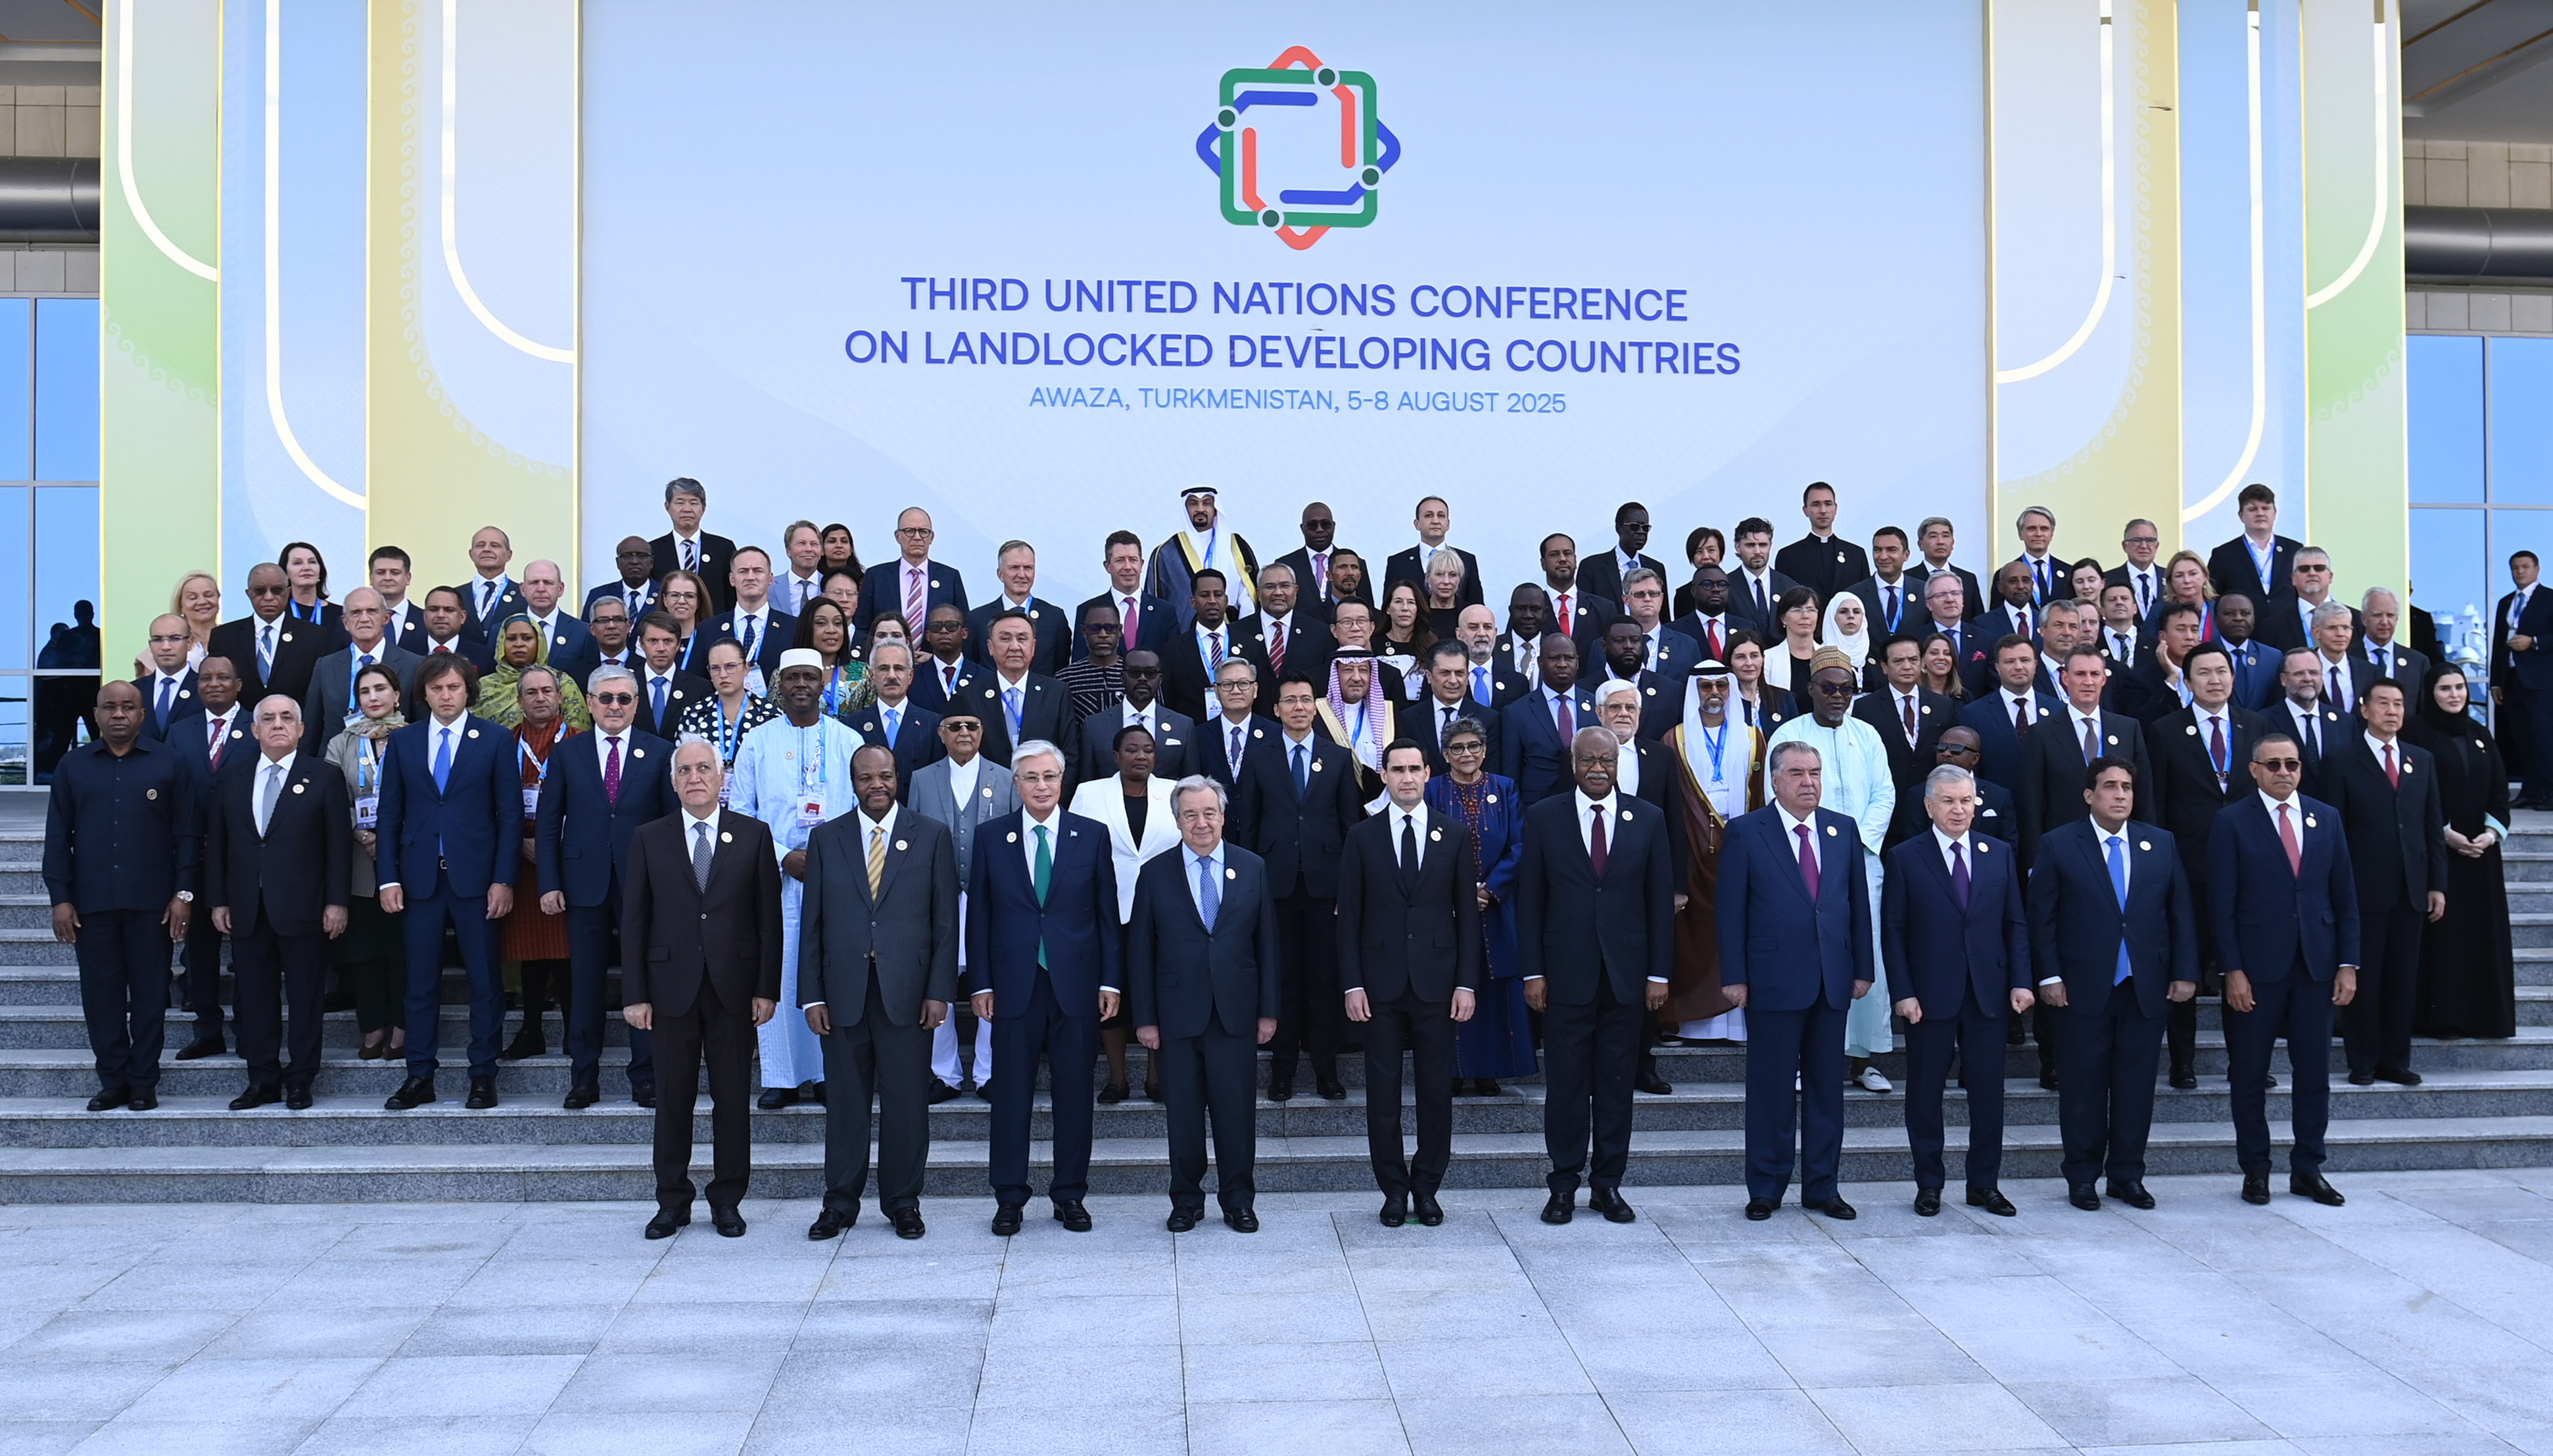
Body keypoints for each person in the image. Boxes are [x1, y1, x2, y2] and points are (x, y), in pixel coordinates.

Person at [955, 738, 1118, 1233]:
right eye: (1031, 777)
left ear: (1061, 780)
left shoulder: (1091, 835)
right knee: (1010, 1097)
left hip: (1077, 986)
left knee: (1075, 1096)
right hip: (1012, 986)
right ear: (1016, 783)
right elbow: (979, 916)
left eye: (1049, 776)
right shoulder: (991, 837)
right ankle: (1009, 1197)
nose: (1041, 785)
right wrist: (980, 982)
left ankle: (1070, 1195)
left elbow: (1106, 915)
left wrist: (1110, 981)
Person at [623, 738, 783, 1238]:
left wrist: (767, 988)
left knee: (732, 1100)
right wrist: (635, 993)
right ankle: (672, 1201)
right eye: (685, 770)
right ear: (673, 782)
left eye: (704, 768)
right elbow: (634, 921)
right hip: (669, 990)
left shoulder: (753, 835)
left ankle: (727, 1199)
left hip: (733, 989)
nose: (695, 777)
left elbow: (768, 920)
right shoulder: (649, 837)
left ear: (721, 778)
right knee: (673, 1100)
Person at [801, 743, 962, 1241]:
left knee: (907, 1103)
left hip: (908, 995)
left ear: (898, 778)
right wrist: (812, 995)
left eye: (885, 776)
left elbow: (944, 923)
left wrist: (940, 991)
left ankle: (903, 1201)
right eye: (866, 777)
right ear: (852, 782)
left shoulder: (931, 835)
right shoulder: (826, 838)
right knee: (845, 1105)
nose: (877, 785)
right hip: (842, 994)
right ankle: (839, 1203)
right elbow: (812, 923)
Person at [1513, 726, 1673, 1225]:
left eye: (1606, 760)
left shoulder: (1648, 818)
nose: (1598, 769)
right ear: (1573, 763)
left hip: (1626, 977)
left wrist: (1659, 974)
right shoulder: (1544, 816)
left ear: (1618, 763)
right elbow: (1530, 900)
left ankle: (1607, 1185)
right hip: (1565, 976)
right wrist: (1533, 971)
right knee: (1565, 1087)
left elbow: (1659, 904)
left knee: (1616, 1086)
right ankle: (1563, 1185)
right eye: (1588, 760)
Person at [2030, 758, 2200, 1210]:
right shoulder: (2059, 844)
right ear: (2089, 795)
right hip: (2080, 987)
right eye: (2110, 786)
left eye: (2126, 786)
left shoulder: (2159, 842)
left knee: (2136, 1086)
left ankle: (2127, 1175)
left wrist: (2184, 972)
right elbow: (2042, 918)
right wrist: (2049, 975)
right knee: (2082, 1087)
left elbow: (2180, 912)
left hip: (2145, 987)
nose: (2120, 794)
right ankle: (2082, 1176)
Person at [1719, 740, 1872, 1221]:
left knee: (1827, 1090)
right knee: (1772, 1089)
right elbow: (1730, 911)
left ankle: (1823, 1187)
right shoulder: (1747, 831)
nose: (1809, 782)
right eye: (1797, 773)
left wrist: (1863, 967)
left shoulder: (1842, 829)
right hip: (1772, 979)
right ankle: (1766, 1187)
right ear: (1775, 780)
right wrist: (1734, 976)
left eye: (1815, 773)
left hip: (1831, 978)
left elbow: (1857, 904)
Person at [2210, 734, 2357, 1208]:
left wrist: (2347, 964)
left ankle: (2308, 1168)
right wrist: (2232, 969)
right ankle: (2255, 1169)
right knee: (2249, 1074)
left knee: (2313, 1073)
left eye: (2291, 763)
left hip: (2316, 966)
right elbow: (2221, 904)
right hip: (2256, 969)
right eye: (2272, 764)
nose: (2283, 771)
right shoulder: (2232, 821)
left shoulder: (2325, 817)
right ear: (2253, 770)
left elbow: (2344, 897)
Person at [1130, 775, 1280, 1231]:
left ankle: (1238, 1200)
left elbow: (1267, 944)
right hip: (1176, 1015)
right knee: (1183, 1116)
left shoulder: (1252, 867)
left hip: (1235, 1013)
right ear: (1177, 820)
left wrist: (1268, 1010)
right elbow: (1141, 951)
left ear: (1223, 815)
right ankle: (1186, 1200)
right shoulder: (1155, 873)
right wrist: (1145, 1018)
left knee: (1236, 1114)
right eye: (1190, 814)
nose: (1201, 823)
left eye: (1209, 813)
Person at [1339, 741, 1480, 1227]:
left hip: (1437, 984)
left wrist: (1466, 983)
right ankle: (1393, 1191)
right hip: (1378, 986)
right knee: (1382, 1095)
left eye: (1414, 769)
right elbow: (1349, 917)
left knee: (1435, 1093)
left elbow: (1467, 917)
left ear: (1427, 774)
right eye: (1397, 769)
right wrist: (1352, 984)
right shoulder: (1362, 836)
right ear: (1383, 775)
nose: (1406, 777)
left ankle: (1427, 1188)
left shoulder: (1453, 834)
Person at [1883, 764, 2030, 1216]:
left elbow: (2015, 922)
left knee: (1987, 1094)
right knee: (1925, 1093)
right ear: (1929, 806)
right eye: (1948, 801)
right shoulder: (1905, 856)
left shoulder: (1997, 852)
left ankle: (1984, 1184)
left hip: (1988, 992)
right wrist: (1903, 992)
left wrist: (2021, 980)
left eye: (1966, 800)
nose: (1958, 809)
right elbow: (1893, 930)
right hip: (1928, 996)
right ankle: (1929, 1184)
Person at [45, 680, 199, 1112]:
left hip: (152, 904)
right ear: (95, 714)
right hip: (90, 904)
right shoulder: (73, 766)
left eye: (128, 707)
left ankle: (144, 1082)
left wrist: (183, 894)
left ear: (142, 715)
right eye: (109, 707)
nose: (118, 714)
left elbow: (187, 835)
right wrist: (60, 897)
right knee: (101, 996)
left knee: (150, 995)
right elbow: (57, 837)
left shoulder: (169, 763)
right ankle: (112, 1081)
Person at [376, 653, 519, 1111]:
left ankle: (483, 1074)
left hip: (477, 880)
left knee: (484, 981)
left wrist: (503, 879)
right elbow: (389, 814)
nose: (445, 695)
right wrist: (387, 878)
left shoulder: (495, 739)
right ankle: (419, 1074)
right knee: (420, 982)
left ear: (467, 691)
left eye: (453, 687)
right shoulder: (404, 741)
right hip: (419, 880)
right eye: (437, 688)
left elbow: (510, 816)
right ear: (424, 693)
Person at [530, 665, 675, 1107]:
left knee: (642, 977)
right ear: (590, 703)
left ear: (636, 703)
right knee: (584, 981)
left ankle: (645, 1075)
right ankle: (583, 1077)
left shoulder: (659, 751)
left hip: (643, 884)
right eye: (606, 698)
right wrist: (549, 883)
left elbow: (671, 825)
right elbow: (548, 823)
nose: (615, 706)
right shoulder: (566, 754)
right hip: (582, 882)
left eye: (624, 699)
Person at [729, 650, 863, 1108]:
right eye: (793, 678)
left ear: (823, 683)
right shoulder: (758, 741)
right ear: (780, 685)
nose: (801, 684)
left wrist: (828, 859)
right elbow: (741, 813)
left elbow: (864, 809)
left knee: (832, 972)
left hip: (838, 878)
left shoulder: (848, 740)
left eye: (809, 676)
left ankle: (828, 1073)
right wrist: (783, 856)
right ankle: (783, 1077)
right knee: (781, 972)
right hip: (777, 879)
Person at [204, 695, 351, 1111]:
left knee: (305, 998)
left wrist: (337, 902)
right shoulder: (232, 776)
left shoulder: (324, 776)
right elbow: (218, 844)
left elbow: (339, 847)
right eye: (267, 718)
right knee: (255, 999)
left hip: (305, 907)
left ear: (301, 729)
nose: (277, 724)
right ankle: (262, 1079)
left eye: (287, 717)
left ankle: (301, 1079)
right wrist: (218, 900)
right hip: (247, 908)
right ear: (255, 730)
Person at [1767, 648, 1898, 1092]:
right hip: (1805, 863)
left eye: (1847, 688)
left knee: (1865, 951)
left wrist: (1854, 845)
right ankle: (1805, 1058)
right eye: (1829, 687)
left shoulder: (1867, 735)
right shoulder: (1789, 734)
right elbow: (1779, 796)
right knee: (1807, 955)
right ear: (1811, 689)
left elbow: (1884, 794)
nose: (1838, 695)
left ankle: (1863, 1060)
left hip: (1862, 860)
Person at [1232, 672, 1366, 1100]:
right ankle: (1282, 1071)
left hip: (1326, 888)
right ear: (1276, 709)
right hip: (1275, 886)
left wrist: (1348, 891)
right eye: (1289, 700)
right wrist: (1247, 888)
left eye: (1306, 700)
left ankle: (1326, 1071)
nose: (1298, 707)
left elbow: (1351, 827)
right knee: (1282, 979)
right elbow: (1248, 827)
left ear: (1316, 707)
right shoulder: (1258, 758)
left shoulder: (1338, 757)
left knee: (1324, 980)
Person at [2141, 642, 2268, 1088]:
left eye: (2221, 671)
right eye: (2204, 673)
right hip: (2186, 869)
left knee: (2244, 966)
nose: (2214, 680)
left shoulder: (2256, 725)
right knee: (2185, 966)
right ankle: (2183, 1062)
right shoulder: (2164, 730)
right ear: (2189, 680)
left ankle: (2246, 1061)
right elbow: (2156, 804)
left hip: (2247, 869)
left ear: (2233, 677)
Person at [2319, 679, 2448, 1087]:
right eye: (2384, 703)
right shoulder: (2341, 760)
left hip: (2411, 889)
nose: (2392, 711)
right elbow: (2334, 832)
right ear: (2364, 710)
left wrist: (2437, 884)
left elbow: (2432, 826)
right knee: (2366, 978)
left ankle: (2396, 1059)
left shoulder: (2420, 759)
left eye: (2399, 704)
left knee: (2402, 980)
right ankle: (2363, 1060)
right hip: (2363, 889)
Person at [907, 708, 1016, 1099]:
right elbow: (913, 840)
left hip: (991, 898)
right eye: (955, 727)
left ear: (982, 732)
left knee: (991, 982)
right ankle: (945, 1074)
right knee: (939, 981)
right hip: (938, 897)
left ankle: (990, 1073)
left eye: (972, 726)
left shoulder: (1006, 778)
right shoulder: (922, 779)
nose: (964, 732)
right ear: (942, 733)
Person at [1070, 723, 1181, 1103]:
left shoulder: (1175, 792)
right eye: (1132, 750)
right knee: (1111, 992)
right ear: (1115, 756)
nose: (1141, 756)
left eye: (1148, 750)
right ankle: (1117, 1079)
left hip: (1164, 911)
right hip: (1107, 909)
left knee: (1157, 993)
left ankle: (1156, 1078)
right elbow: (1074, 849)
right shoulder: (1089, 793)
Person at [2406, 664, 2517, 1039]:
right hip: (2440, 853)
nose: (2454, 695)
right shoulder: (2416, 731)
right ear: (2430, 693)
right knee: (2445, 938)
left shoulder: (2479, 732)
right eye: (2445, 688)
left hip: (2481, 856)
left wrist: (2491, 833)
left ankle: (2485, 1018)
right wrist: (2445, 833)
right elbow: (2415, 791)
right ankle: (2445, 1019)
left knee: (2482, 936)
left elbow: (2499, 788)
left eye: (2459, 687)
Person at [1426, 718, 1535, 1095]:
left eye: (1473, 746)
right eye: (1457, 748)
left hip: (1497, 906)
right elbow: (1427, 846)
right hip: (1447, 907)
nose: (1466, 754)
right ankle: (1454, 1070)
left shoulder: (1504, 788)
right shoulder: (1432, 790)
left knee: (1493, 985)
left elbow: (1520, 845)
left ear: (1485, 750)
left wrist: (1491, 889)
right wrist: (1458, 893)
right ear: (1445, 755)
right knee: (1453, 983)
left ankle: (1489, 1070)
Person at [1662, 665, 1762, 1045]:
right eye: (1706, 686)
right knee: (1693, 935)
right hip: (1692, 854)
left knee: (1735, 930)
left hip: (1739, 851)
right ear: (1695, 691)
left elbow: (1760, 796)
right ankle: (1689, 1021)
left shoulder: (1753, 737)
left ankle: (1736, 1024)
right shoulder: (1674, 739)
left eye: (1722, 685)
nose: (1715, 692)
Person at [325, 662, 409, 1064]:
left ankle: (403, 1026)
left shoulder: (415, 737)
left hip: (406, 860)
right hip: (358, 859)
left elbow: (428, 795)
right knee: (365, 952)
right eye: (364, 691)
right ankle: (373, 1025)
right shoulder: (341, 742)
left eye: (380, 689)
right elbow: (329, 798)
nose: (373, 697)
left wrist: (390, 837)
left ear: (397, 695)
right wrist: (362, 833)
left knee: (402, 950)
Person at [496, 665, 575, 1062]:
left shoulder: (578, 742)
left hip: (567, 858)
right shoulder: (505, 742)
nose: (540, 698)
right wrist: (521, 844)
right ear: (519, 700)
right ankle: (531, 1030)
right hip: (521, 858)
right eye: (531, 692)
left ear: (560, 697)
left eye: (547, 691)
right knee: (530, 949)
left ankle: (575, 1029)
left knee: (567, 948)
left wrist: (549, 847)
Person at [299, 587, 421, 759]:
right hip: (335, 764)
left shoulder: (414, 665)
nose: (364, 619)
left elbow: (421, 726)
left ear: (386, 618)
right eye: (356, 613)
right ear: (345, 622)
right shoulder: (326, 666)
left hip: (393, 762)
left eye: (372, 611)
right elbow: (312, 729)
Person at [1855, 635, 1955, 835]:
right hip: (1887, 810)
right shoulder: (1865, 708)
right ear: (1885, 667)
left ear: (1922, 663)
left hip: (1931, 808)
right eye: (1898, 661)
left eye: (1913, 660)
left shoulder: (1943, 705)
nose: (1907, 666)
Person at [1069, 648, 1191, 786]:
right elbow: (1087, 784)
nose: (1142, 678)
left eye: (1151, 673)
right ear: (1122, 678)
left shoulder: (1184, 726)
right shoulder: (1094, 726)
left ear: (1160, 679)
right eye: (1134, 672)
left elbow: (1192, 783)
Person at [209, 562, 325, 705]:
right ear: (249, 594)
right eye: (260, 591)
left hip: (296, 718)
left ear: (288, 593)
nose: (269, 597)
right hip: (240, 719)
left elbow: (319, 692)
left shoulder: (315, 636)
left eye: (277, 590)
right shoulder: (224, 637)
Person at [1500, 633, 1596, 805]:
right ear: (1541, 663)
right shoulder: (1516, 713)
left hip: (1588, 804)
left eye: (1569, 658)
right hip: (1537, 807)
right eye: (1554, 658)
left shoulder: (1597, 706)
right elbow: (1511, 776)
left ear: (1577, 663)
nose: (1562, 664)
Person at [1146, 485, 1260, 627]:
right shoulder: (1167, 552)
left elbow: (1247, 595)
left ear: (1215, 509)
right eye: (1193, 504)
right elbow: (1157, 601)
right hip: (1185, 634)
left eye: (1207, 503)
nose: (1200, 509)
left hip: (1234, 631)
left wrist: (1243, 630)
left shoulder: (1236, 546)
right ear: (1186, 509)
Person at [974, 609, 1073, 769]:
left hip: (1042, 784)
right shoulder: (972, 696)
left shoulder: (1057, 693)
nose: (1015, 647)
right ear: (990, 647)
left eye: (1022, 639)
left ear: (1033, 647)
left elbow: (1070, 754)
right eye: (1005, 639)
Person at [1963, 636, 2061, 792]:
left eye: (2025, 660)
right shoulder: (1975, 714)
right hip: (2000, 804)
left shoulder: (2058, 710)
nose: (2018, 667)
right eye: (2010, 662)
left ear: (2035, 665)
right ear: (1997, 668)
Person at [964, 539, 1072, 676]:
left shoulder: (1055, 618)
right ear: (1000, 574)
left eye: (1028, 568)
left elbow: (1061, 669)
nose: (1022, 575)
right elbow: (971, 667)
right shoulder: (977, 619)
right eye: (1014, 568)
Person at [678, 639, 780, 782]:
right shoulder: (694, 715)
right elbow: (681, 767)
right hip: (707, 794)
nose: (723, 675)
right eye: (715, 668)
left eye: (730, 666)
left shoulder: (770, 716)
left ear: (746, 668)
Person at [844, 640, 941, 792]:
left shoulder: (934, 724)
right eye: (884, 669)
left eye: (899, 668)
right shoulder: (851, 726)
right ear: (872, 676)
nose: (891, 676)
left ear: (910, 676)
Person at [2493, 550, 2546, 802]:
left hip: (2541, 682)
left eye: (2525, 567)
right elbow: (2498, 644)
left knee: (2543, 738)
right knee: (2521, 739)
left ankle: (2548, 792)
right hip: (2512, 680)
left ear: (2537, 569)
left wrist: (2533, 642)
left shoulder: (2549, 599)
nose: (2520, 572)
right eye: (2515, 568)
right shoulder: (2506, 602)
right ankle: (2531, 790)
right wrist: (2496, 681)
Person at [1075, 530, 1176, 662]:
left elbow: (1173, 662)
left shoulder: (1165, 611)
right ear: (1108, 566)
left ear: (1141, 565)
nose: (1128, 567)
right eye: (1120, 560)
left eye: (1133, 560)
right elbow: (1079, 663)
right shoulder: (1087, 610)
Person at [479, 615, 591, 732]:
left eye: (527, 638)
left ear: (539, 642)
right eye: (511, 639)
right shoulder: (484, 686)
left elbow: (578, 730)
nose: (519, 644)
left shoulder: (561, 682)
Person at [650, 476, 739, 613]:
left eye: (694, 503)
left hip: (714, 622)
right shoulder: (654, 550)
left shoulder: (723, 548)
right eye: (680, 503)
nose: (687, 509)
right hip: (668, 623)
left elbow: (732, 594)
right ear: (667, 507)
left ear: (703, 508)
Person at [1409, 639, 1499, 773]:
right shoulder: (1409, 719)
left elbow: (1491, 773)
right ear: (1429, 676)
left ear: (1467, 676)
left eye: (1459, 673)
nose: (1453, 681)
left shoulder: (1489, 719)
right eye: (1445, 673)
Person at [2207, 481, 2301, 609]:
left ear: (2275, 513)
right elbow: (2213, 597)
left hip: (2287, 621)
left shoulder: (2294, 550)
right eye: (2253, 509)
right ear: (2241, 516)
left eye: (2266, 508)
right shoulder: (2223, 555)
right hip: (2242, 621)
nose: (2260, 513)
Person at [1383, 495, 1485, 609]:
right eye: (1429, 516)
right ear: (1417, 524)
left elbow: (1477, 607)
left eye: (1441, 516)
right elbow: (1389, 606)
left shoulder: (1466, 560)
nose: (1435, 521)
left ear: (1448, 524)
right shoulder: (1398, 562)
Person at [2274, 646, 2350, 795]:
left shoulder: (2345, 722)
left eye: (2314, 673)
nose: (2308, 679)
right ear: (2284, 679)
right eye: (2299, 673)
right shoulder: (2263, 721)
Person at [1776, 481, 1869, 602]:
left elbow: (1866, 598)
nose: (1823, 510)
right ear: (1806, 510)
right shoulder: (1788, 556)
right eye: (1816, 505)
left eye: (1828, 504)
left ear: (1835, 509)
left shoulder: (1856, 555)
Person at [2256, 548, 2362, 655]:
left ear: (2330, 577)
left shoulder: (2357, 620)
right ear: (2293, 579)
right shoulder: (2273, 625)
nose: (2312, 573)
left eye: (2319, 568)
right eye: (2304, 569)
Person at [1320, 649, 1396, 798]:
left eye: (1363, 670)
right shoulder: (1319, 713)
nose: (1356, 678)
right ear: (1336, 675)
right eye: (1348, 670)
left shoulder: (1389, 713)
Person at [632, 612, 711, 742]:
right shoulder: (627, 684)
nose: (661, 648)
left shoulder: (700, 688)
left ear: (678, 644)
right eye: (653, 641)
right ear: (641, 644)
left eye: (668, 641)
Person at [1198, 657, 1274, 789]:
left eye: (1243, 683)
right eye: (1227, 684)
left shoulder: (1275, 733)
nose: (1236, 691)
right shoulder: (1198, 736)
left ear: (1255, 689)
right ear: (1216, 691)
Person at [1256, 563, 1333, 689]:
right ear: (1258, 593)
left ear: (1296, 590)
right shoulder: (1238, 632)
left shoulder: (1320, 632)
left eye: (1285, 586)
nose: (1278, 593)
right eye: (1270, 587)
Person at [791, 598, 868, 720]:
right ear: (806, 628)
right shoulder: (785, 674)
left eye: (838, 623)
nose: (831, 630)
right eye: (821, 623)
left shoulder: (864, 673)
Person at [1577, 501, 1666, 605]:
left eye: (1645, 528)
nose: (1641, 531)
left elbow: (1663, 613)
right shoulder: (1592, 567)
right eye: (1634, 526)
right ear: (1619, 528)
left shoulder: (1656, 568)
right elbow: (1585, 609)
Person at [517, 559, 593, 674]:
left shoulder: (582, 632)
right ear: (523, 589)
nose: (541, 589)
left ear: (560, 589)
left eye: (548, 583)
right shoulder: (502, 630)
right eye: (534, 583)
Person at [1272, 501, 1343, 619]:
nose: (1319, 529)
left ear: (1334, 526)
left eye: (1325, 524)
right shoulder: (1285, 564)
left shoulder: (1354, 564)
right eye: (1312, 525)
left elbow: (1367, 607)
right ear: (1302, 528)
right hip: (1301, 629)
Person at [911, 603, 987, 714]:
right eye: (936, 627)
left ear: (964, 633)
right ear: (928, 636)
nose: (944, 631)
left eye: (952, 626)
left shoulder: (986, 678)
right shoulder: (912, 678)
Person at [2353, 587, 2430, 695]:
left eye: (2390, 615)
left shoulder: (2418, 662)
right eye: (2377, 615)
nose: (2385, 622)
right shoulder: (2347, 656)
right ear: (2364, 619)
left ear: (2397, 619)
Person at [1908, 515, 1986, 621]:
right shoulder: (1908, 578)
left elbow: (1977, 620)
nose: (1940, 542)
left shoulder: (1968, 579)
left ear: (1953, 543)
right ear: (1920, 545)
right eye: (1933, 536)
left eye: (1946, 536)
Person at [557, 593, 637, 692]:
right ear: (592, 629)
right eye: (603, 621)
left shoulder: (645, 668)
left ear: (629, 626)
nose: (611, 626)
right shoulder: (575, 673)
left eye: (618, 620)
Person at [458, 526, 526, 642]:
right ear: (471, 554)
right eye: (480, 545)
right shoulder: (456, 596)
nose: (487, 549)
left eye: (495, 546)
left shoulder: (523, 595)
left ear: (509, 555)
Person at [276, 541, 345, 646]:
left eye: (312, 562)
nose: (306, 568)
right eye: (298, 563)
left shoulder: (341, 615)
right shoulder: (278, 614)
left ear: (320, 572)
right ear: (285, 574)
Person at [1725, 632, 1794, 734]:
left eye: (1754, 656)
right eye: (1741, 657)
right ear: (1730, 661)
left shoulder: (1784, 699)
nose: (1749, 663)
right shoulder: (1723, 701)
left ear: (1763, 659)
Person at [583, 534, 663, 622]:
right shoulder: (598, 595)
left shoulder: (664, 594)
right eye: (627, 556)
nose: (634, 561)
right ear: (618, 563)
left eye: (642, 556)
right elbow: (586, 629)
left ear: (651, 562)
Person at [2147, 550, 2218, 642]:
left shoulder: (2219, 610)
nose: (2187, 581)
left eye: (2193, 574)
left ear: (2205, 576)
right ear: (2171, 581)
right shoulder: (2158, 611)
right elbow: (2147, 644)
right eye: (2179, 576)